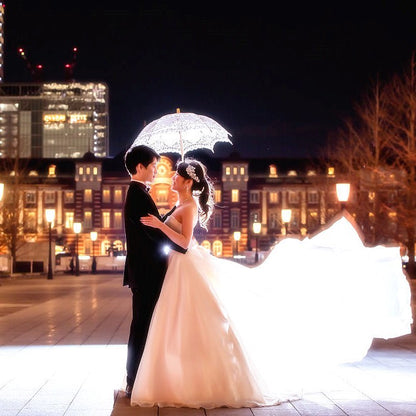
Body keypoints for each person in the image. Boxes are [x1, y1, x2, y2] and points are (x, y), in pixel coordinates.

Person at [131, 158, 413, 409]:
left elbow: (183, 242)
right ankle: (179, 377)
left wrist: (160, 225)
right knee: (181, 323)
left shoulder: (189, 206)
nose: (172, 181)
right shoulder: (181, 204)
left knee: (198, 320)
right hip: (179, 269)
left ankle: (203, 379)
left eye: (177, 177)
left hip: (187, 266)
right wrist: (163, 223)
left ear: (188, 181)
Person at [123, 145, 187, 397]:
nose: (155, 171)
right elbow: (153, 232)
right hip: (146, 272)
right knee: (142, 325)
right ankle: (134, 379)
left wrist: (167, 219)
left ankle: (135, 377)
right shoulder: (138, 194)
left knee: (143, 324)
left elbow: (154, 226)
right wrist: (182, 245)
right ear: (139, 167)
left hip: (143, 271)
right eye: (152, 167)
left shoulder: (139, 193)